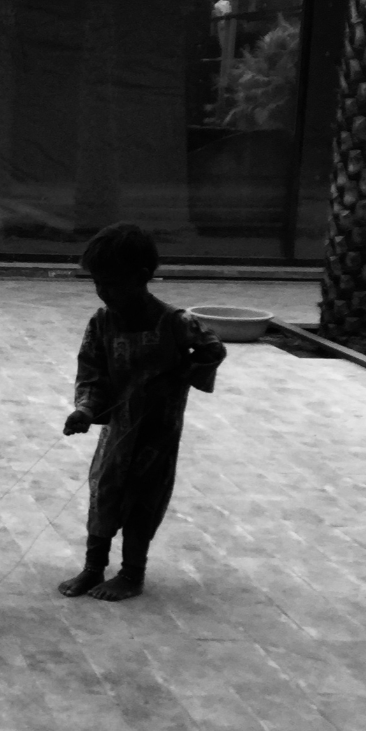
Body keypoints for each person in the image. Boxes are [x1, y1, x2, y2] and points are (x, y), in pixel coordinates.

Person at [60, 223, 226, 602]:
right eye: (97, 283)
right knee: (105, 490)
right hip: (118, 429)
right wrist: (85, 410)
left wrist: (182, 375)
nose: (103, 291)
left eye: (112, 282)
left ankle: (132, 573)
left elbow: (212, 348)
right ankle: (92, 568)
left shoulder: (175, 322)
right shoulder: (102, 322)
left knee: (143, 496)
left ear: (140, 277)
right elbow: (92, 371)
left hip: (158, 432)